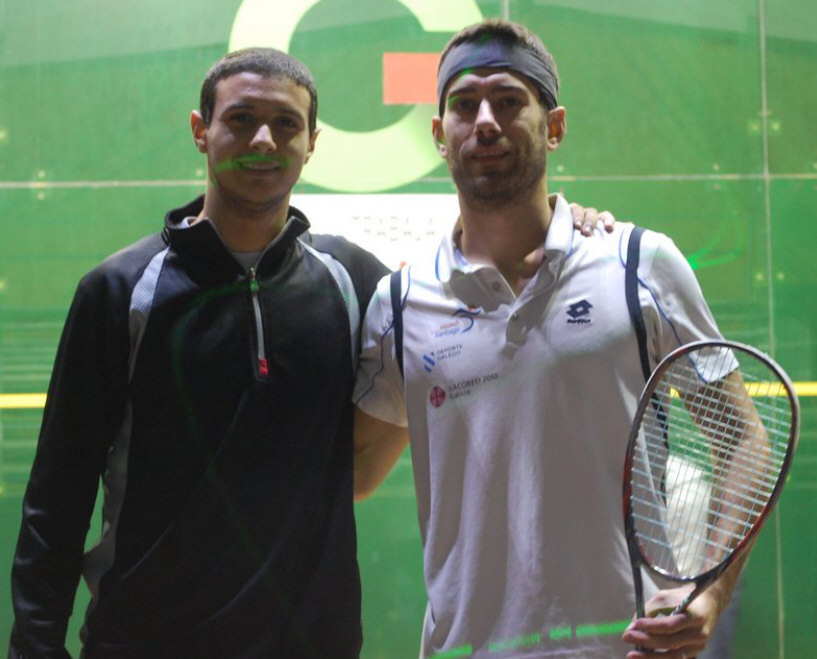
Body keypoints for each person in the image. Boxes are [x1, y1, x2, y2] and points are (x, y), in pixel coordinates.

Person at [7, 47, 609, 659]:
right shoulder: (121, 291)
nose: (263, 139)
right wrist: (35, 646)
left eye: (286, 124)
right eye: (241, 119)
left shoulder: (355, 281)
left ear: (312, 143)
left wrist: (571, 228)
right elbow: (57, 498)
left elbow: (477, 304)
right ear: (200, 130)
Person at [353, 19, 745, 659]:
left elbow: (742, 439)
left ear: (554, 126)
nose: (485, 121)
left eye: (509, 101)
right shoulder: (397, 305)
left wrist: (712, 589)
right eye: (464, 105)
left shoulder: (639, 265)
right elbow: (349, 472)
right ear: (440, 135)